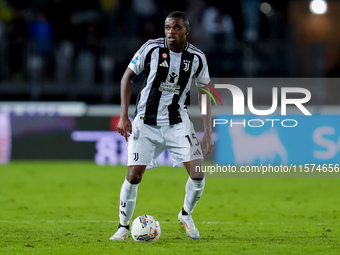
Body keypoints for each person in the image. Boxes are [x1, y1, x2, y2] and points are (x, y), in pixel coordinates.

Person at [110, 11, 214, 241]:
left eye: (176, 28)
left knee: (198, 173)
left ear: (187, 31)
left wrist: (207, 130)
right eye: (167, 28)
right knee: (134, 176)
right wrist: (124, 116)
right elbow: (127, 77)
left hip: (178, 123)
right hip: (146, 123)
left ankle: (186, 214)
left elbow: (205, 93)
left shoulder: (197, 58)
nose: (170, 32)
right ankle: (123, 226)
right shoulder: (151, 48)